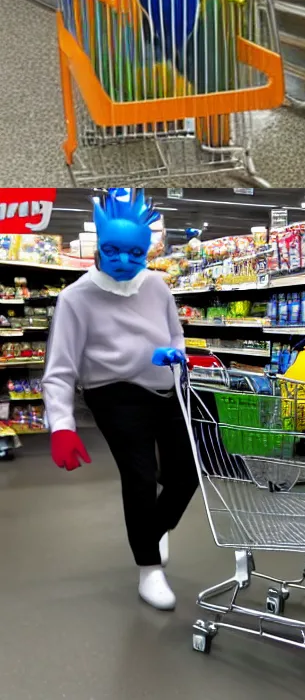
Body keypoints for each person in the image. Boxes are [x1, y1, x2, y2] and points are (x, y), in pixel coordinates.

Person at [43, 188, 195, 610]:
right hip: (113, 394)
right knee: (141, 477)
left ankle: (155, 528)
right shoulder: (75, 298)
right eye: (113, 251)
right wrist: (62, 426)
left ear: (147, 250)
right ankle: (149, 569)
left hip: (166, 387)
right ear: (97, 247)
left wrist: (176, 353)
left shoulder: (157, 286)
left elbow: (175, 332)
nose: (125, 262)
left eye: (135, 253)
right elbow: (59, 369)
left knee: (187, 472)